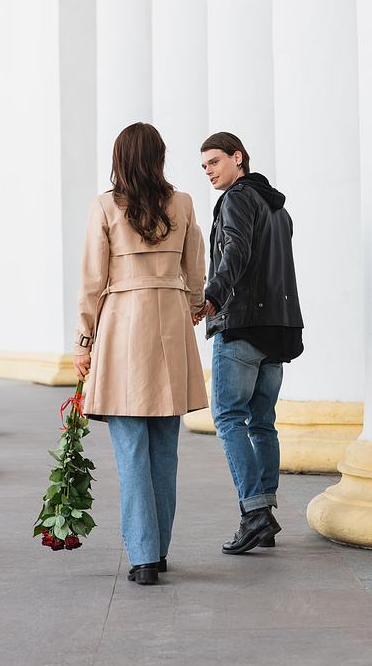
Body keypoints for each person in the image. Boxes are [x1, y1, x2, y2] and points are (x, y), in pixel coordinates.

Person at [73, 122, 208, 585]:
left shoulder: (106, 205)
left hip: (122, 326)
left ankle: (144, 557)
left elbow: (93, 280)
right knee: (164, 447)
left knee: (130, 446)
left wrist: (82, 342)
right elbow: (196, 268)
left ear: (120, 158)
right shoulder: (184, 202)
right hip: (170, 318)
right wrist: (190, 308)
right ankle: (159, 551)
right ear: (159, 156)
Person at [198, 132, 303, 554]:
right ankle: (266, 514)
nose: (208, 171)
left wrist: (213, 295)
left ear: (237, 158)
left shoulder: (237, 198)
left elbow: (236, 251)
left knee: (227, 419)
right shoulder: (278, 209)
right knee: (261, 424)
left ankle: (255, 514)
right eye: (203, 165)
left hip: (241, 325)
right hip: (276, 330)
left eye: (214, 161)